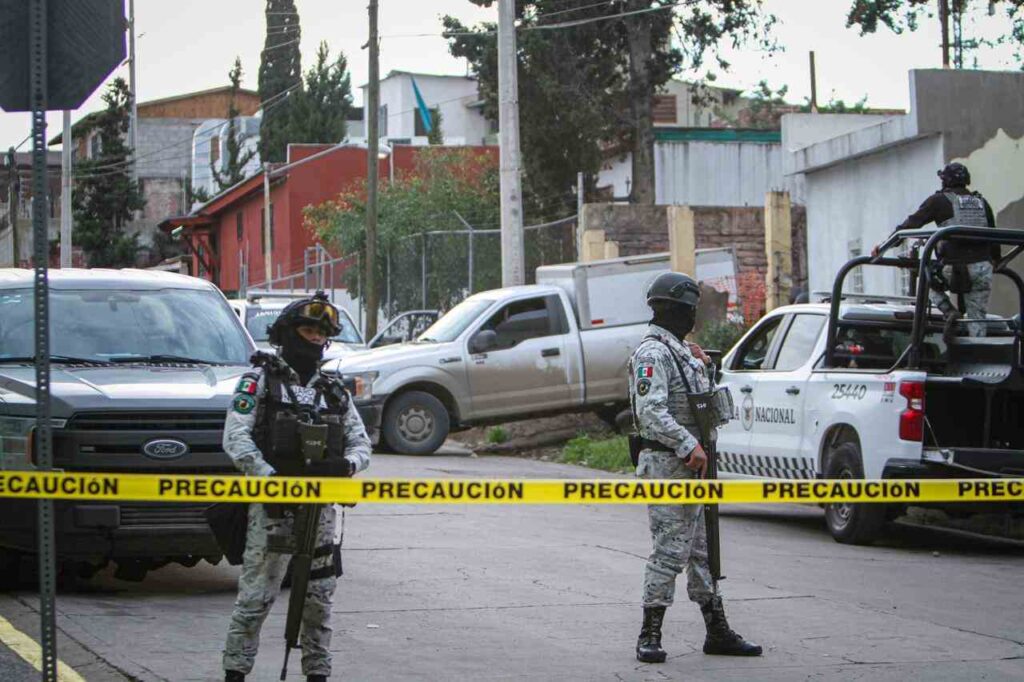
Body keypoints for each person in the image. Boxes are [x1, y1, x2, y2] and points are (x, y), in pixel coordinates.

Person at [221, 291, 372, 682]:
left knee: (319, 604)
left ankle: (317, 675)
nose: (315, 340)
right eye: (307, 329)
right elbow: (236, 439)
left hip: (321, 515)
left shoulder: (334, 390)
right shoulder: (258, 381)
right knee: (255, 601)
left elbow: (361, 443)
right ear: (287, 334)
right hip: (272, 511)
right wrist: (271, 479)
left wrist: (346, 465)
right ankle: (235, 674)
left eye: (322, 334)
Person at [629, 272, 761, 663]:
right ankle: (649, 632)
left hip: (697, 463)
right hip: (669, 463)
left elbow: (711, 410)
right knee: (670, 550)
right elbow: (649, 412)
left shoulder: (683, 352)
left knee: (704, 550)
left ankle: (716, 630)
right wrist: (689, 445)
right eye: (689, 310)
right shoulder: (652, 353)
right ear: (672, 309)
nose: (693, 317)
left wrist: (706, 369)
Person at [874, 162, 999, 340]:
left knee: (926, 280)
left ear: (945, 181)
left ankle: (949, 313)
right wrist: (997, 261)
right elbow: (993, 238)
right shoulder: (981, 202)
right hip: (983, 268)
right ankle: (977, 350)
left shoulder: (938, 200)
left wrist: (884, 245)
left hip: (955, 269)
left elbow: (910, 225)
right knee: (977, 318)